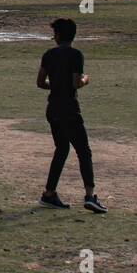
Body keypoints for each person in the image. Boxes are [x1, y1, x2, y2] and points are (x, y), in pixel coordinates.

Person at [36, 18, 107, 214]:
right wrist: (86, 78)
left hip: (53, 109)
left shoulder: (48, 55)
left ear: (58, 36)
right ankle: (90, 195)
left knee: (62, 149)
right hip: (69, 108)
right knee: (84, 151)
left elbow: (41, 82)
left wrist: (56, 84)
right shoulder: (76, 55)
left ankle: (49, 194)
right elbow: (77, 82)